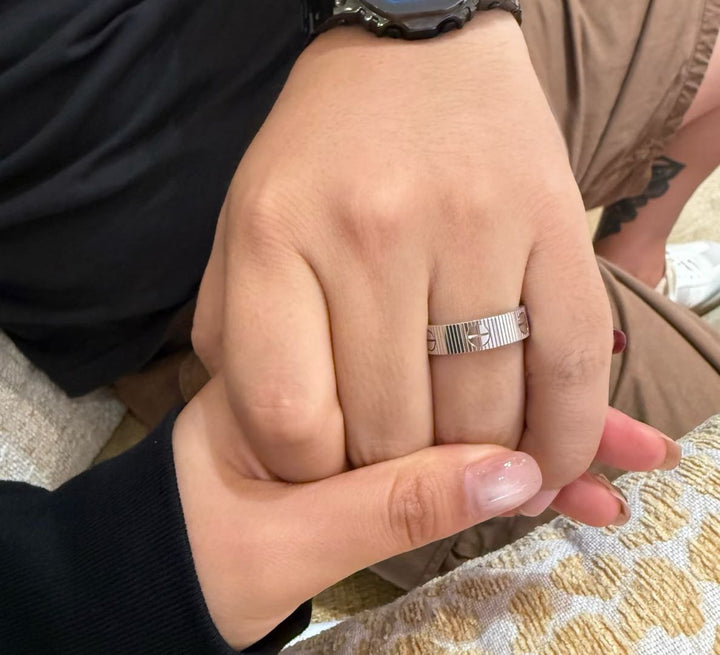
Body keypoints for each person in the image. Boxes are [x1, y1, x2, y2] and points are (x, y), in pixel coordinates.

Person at [1, 0, 719, 650]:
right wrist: (110, 568)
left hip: (367, 37)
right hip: (169, 253)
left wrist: (417, 19)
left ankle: (634, 263)